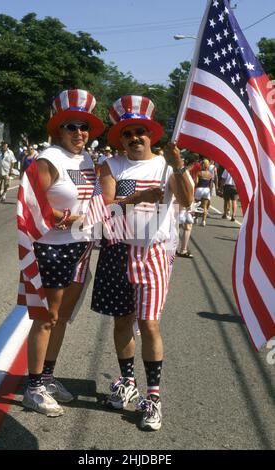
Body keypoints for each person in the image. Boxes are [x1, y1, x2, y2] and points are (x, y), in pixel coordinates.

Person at [91, 95, 194, 431]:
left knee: (149, 324)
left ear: (152, 135)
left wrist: (178, 166)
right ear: (120, 137)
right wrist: (136, 198)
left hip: (152, 253)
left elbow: (187, 200)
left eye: (141, 131)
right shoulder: (112, 165)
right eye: (128, 132)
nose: (135, 137)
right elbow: (105, 206)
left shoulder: (166, 166)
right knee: (122, 322)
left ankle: (154, 398)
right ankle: (128, 382)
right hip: (118, 249)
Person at [21, 88, 104, 417]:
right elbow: (32, 204)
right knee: (46, 319)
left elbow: (94, 199)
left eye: (84, 126)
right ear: (58, 129)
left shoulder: (86, 159)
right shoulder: (48, 159)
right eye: (72, 126)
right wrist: (63, 218)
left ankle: (48, 377)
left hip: (81, 248)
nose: (80, 133)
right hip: (51, 250)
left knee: (63, 319)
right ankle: (33, 388)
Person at [194, 159, 213, 227]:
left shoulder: (199, 173)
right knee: (205, 206)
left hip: (199, 189)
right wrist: (210, 192)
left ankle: (196, 218)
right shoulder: (210, 174)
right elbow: (211, 185)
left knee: (197, 205)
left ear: (202, 165)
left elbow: (196, 182)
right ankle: (204, 221)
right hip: (206, 190)